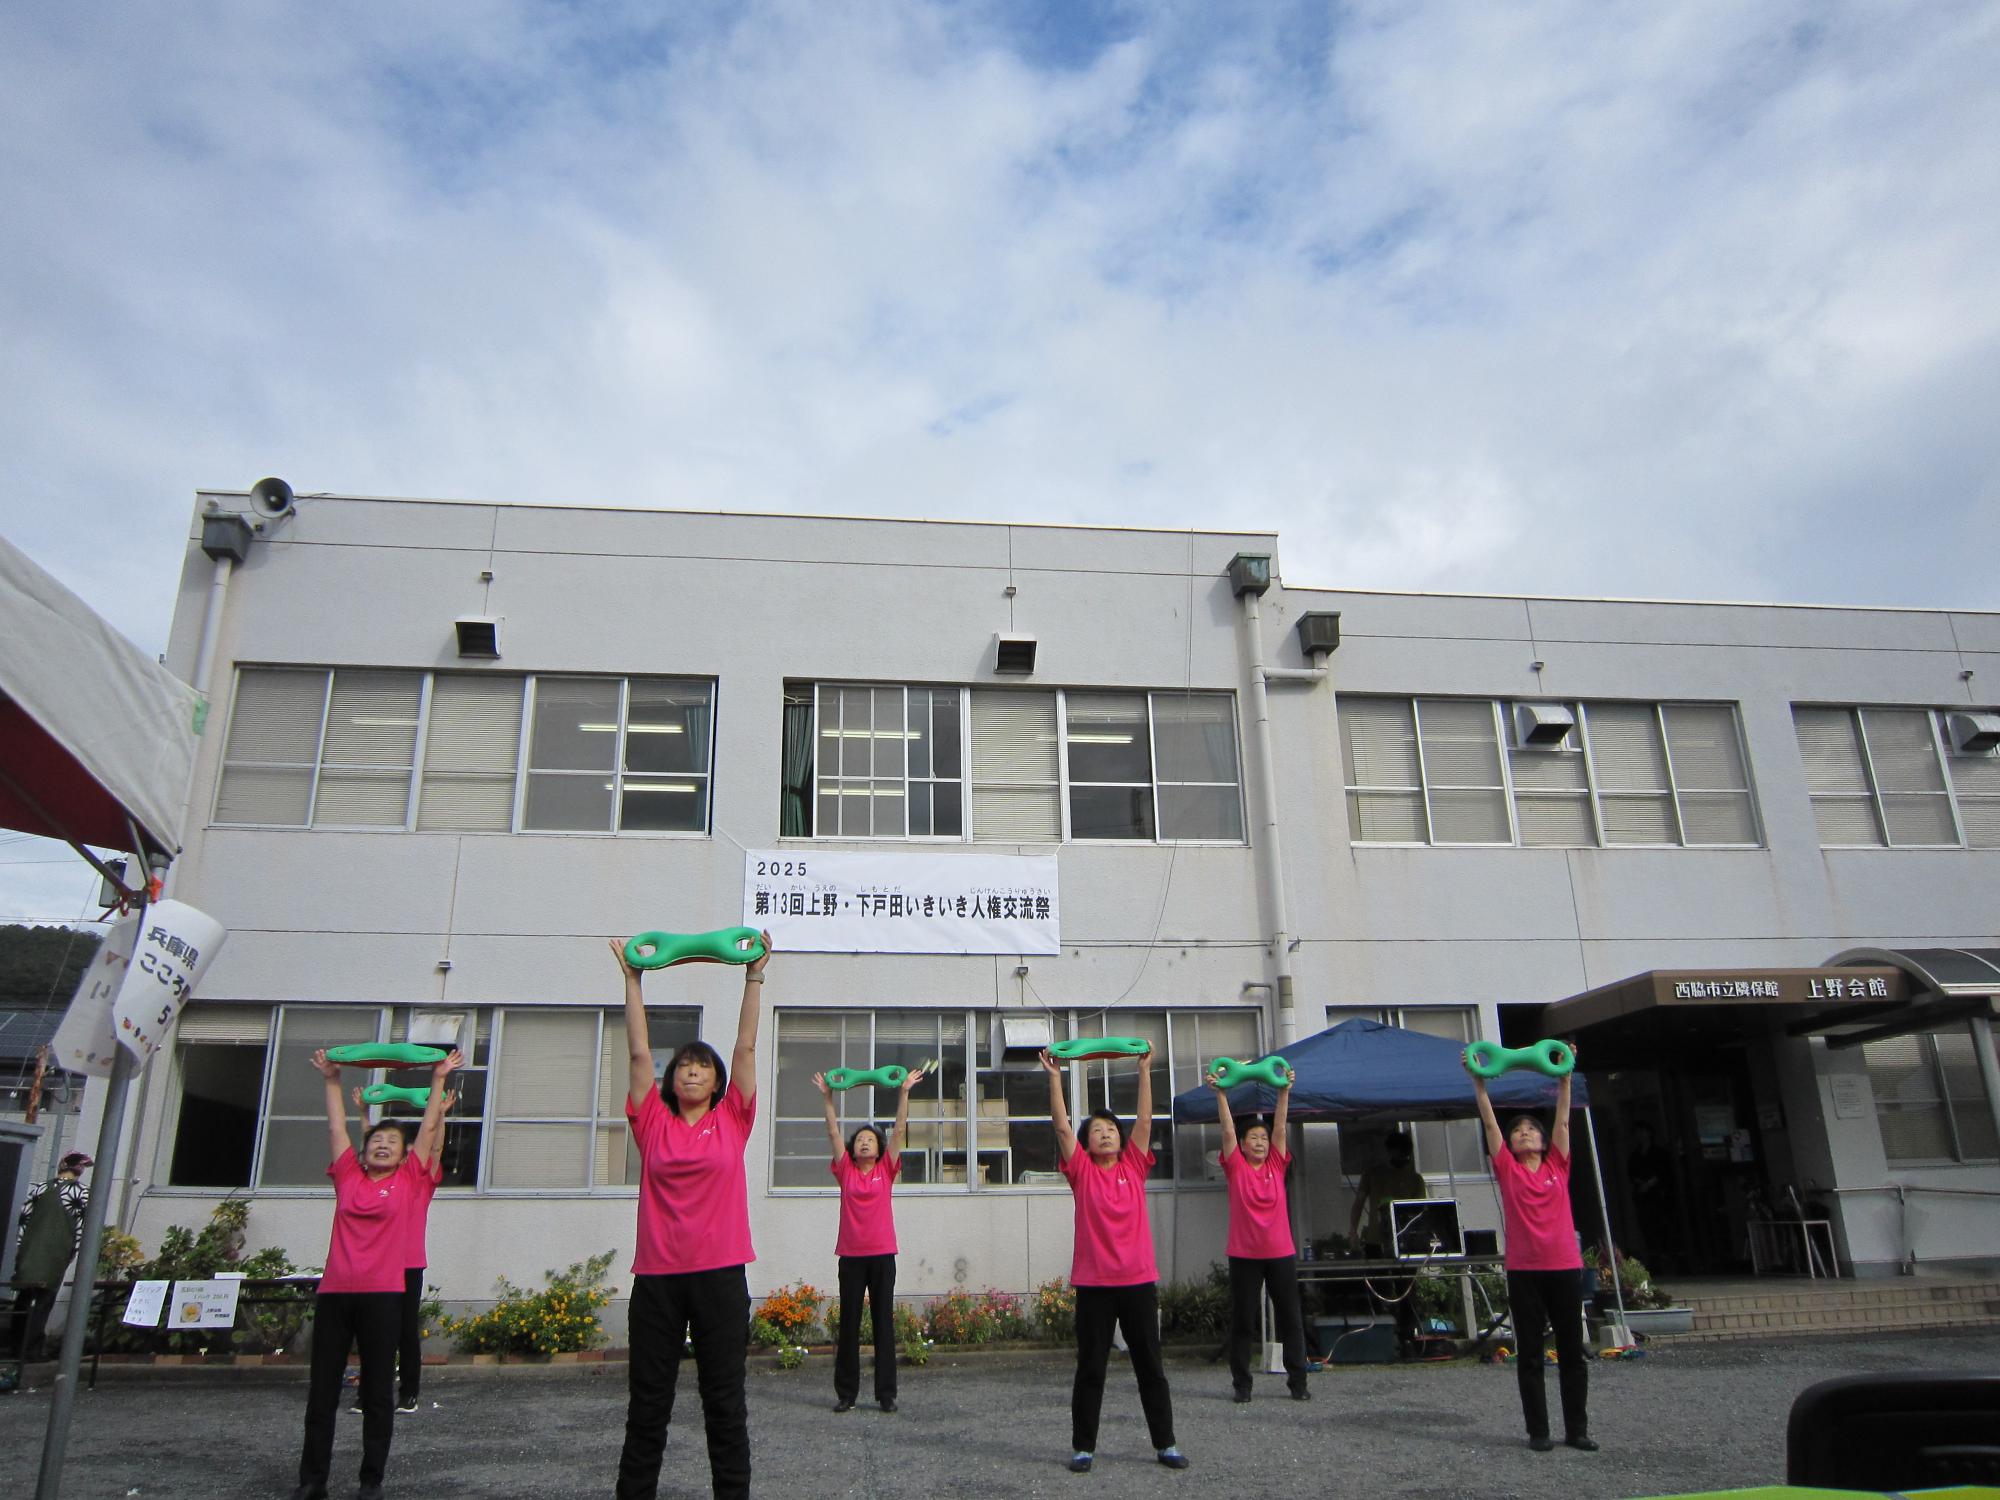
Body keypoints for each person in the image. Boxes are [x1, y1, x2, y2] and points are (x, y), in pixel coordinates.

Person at [613, 931, 772, 1500]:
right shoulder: (650, 1121)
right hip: (656, 1281)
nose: (692, 1071)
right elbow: (637, 1051)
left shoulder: (733, 1119)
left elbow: (747, 1048)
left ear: (717, 1081)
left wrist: (753, 976)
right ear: (670, 1079)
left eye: (703, 1066)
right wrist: (633, 981)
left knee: (724, 1405)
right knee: (647, 1409)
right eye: (683, 1065)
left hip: (720, 1277)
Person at [293, 1046, 462, 1500]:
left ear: (405, 1154)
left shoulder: (409, 1180)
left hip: (384, 1295)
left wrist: (438, 1079)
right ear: (364, 1152)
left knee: (377, 1393)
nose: (382, 1144)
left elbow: (429, 1131)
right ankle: (313, 1481)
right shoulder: (348, 1175)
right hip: (335, 1295)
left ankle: (371, 1481)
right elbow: (335, 1128)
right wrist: (331, 1079)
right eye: (375, 1141)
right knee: (322, 1392)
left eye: (392, 1142)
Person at [1040, 1044, 1188, 1474]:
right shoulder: (1082, 1171)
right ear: (1087, 1142)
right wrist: (1054, 1077)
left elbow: (1144, 1120)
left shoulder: (1134, 1166)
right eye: (1097, 1129)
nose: (1104, 1133)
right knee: (1091, 1369)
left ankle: (1166, 1444)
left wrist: (1145, 1071)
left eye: (1110, 1128)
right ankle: (1083, 1447)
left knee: (1151, 1368)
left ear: (1121, 1138)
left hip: (1139, 1282)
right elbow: (1062, 1127)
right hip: (1095, 1286)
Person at [1467, 1047, 1595, 1455]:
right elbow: (1489, 1124)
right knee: (1531, 1355)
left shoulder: (1559, 1165)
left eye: (1530, 1130)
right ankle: (1538, 1431)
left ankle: (1576, 1429)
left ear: (1542, 1141)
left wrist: (1565, 1078)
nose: (1523, 1133)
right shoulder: (1508, 1168)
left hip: (1563, 1268)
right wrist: (1479, 1084)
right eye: (1517, 1130)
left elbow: (1563, 1118)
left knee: (1572, 1353)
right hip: (1524, 1270)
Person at [812, 1062, 925, 1413]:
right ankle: (846, 1394)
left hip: (881, 1256)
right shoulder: (845, 1170)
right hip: (850, 1256)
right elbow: (833, 1133)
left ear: (877, 1147)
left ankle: (886, 1394)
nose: (864, 1142)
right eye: (859, 1140)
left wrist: (904, 1093)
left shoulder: (885, 1170)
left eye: (869, 1139)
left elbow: (900, 1131)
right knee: (848, 1325)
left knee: (882, 1324)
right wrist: (828, 1099)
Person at [348, 1073, 457, 1416]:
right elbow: (369, 1146)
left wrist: (438, 1115)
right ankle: (366, 1394)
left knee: (404, 1332)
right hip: (376, 1266)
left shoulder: (420, 1182)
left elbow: (435, 1146)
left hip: (408, 1264)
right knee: (370, 1333)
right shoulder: (375, 1181)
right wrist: (364, 1115)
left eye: (403, 1147)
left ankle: (408, 1393)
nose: (400, 1152)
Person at [1208, 1064, 1309, 1402]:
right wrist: (1221, 1093)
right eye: (1254, 1138)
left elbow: (1280, 1125)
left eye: (1263, 1138)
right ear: (1243, 1143)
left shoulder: (1276, 1165)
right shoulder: (1235, 1166)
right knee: (1243, 1323)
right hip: (1245, 1255)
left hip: (1281, 1253)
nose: (1261, 1142)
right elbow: (1225, 1131)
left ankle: (1298, 1383)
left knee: (1291, 1320)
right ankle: (1242, 1386)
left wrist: (1284, 1091)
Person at [8, 1151, 91, 1367]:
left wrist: (19, 1247)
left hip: (29, 1250)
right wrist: (76, 1251)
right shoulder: (82, 1193)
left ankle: (16, 1345)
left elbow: (23, 1219)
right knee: (44, 1300)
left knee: (24, 1297)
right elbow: (83, 1227)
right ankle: (33, 1349)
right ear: (79, 1169)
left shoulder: (40, 1188)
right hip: (57, 1251)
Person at [1349, 1131, 1427, 1354]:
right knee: (1379, 1287)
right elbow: (1359, 1202)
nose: (1399, 1156)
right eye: (1396, 1151)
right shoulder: (1374, 1173)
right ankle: (1383, 1334)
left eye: (1403, 1153)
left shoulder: (1415, 1178)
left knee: (1407, 1290)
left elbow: (1422, 1210)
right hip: (1376, 1239)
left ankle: (1407, 1336)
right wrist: (1353, 1230)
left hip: (1406, 1244)